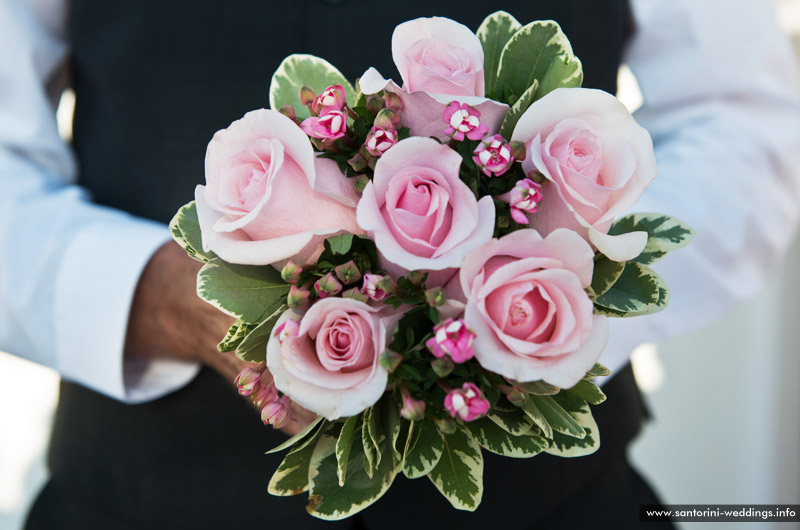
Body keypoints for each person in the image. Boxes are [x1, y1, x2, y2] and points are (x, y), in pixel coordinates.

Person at [1, 0, 798, 528]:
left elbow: (740, 122)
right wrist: (154, 295)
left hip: (553, 510)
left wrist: (545, 305)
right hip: (138, 498)